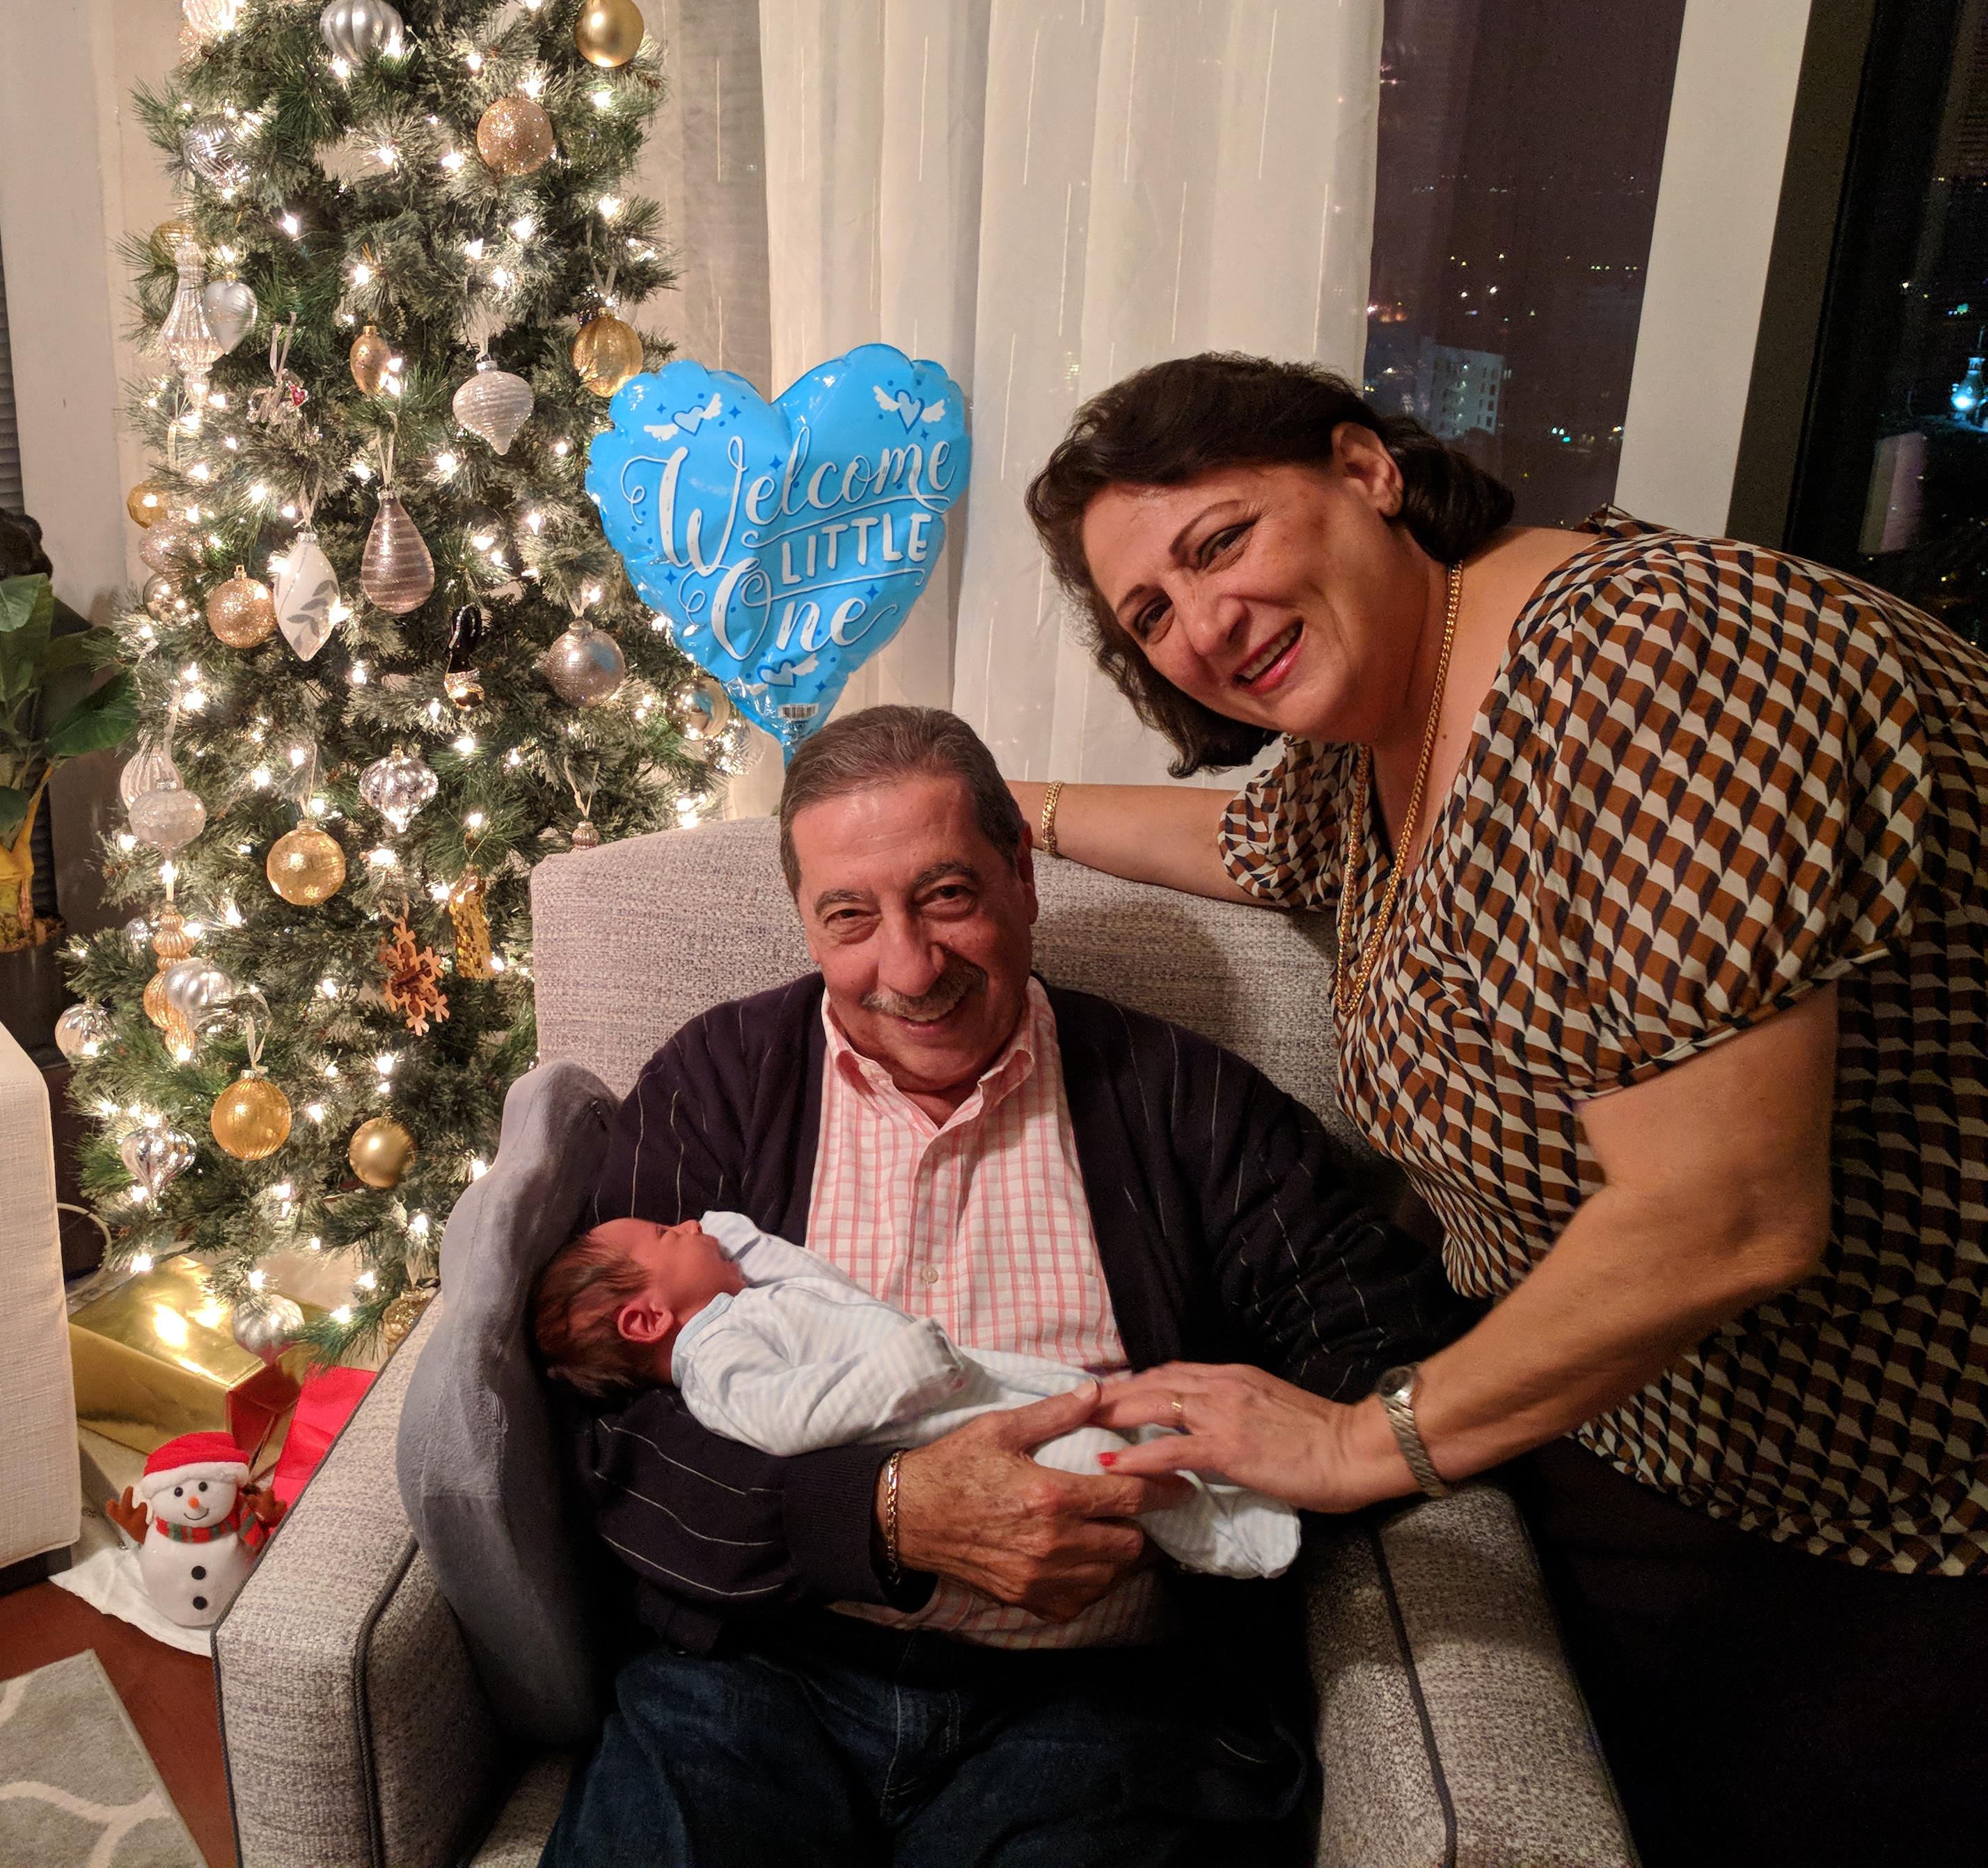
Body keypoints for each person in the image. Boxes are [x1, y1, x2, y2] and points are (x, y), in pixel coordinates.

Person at [1013, 350, 1988, 1867]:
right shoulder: (1379, 730)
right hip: (1642, 1448)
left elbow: (1721, 1217)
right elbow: (1250, 843)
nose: (1200, 624)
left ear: (1364, 470)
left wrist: (1358, 1443)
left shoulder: (1653, 664)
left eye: (1218, 542)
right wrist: (1000, 815)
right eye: (1149, 612)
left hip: (1899, 1505)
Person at [541, 704, 1468, 1868]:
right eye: (850, 917)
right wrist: (882, 1514)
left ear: (1019, 875)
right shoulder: (714, 1085)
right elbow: (609, 1429)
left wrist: (1297, 1419)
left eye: (945, 896)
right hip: (760, 1673)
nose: (909, 968)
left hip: (1101, 1698)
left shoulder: (1184, 1101)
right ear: (804, 923)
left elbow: (1379, 1341)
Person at [532, 1210, 1300, 1578]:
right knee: (1099, 1466)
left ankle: (1230, 1485)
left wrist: (730, 1238)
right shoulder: (716, 1369)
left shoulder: (743, 1304)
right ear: (644, 1318)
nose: (691, 1221)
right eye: (669, 1235)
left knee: (1098, 1406)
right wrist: (903, 1369)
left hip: (958, 1385)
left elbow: (812, 1277)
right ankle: (1230, 1543)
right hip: (931, 1419)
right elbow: (791, 1421)